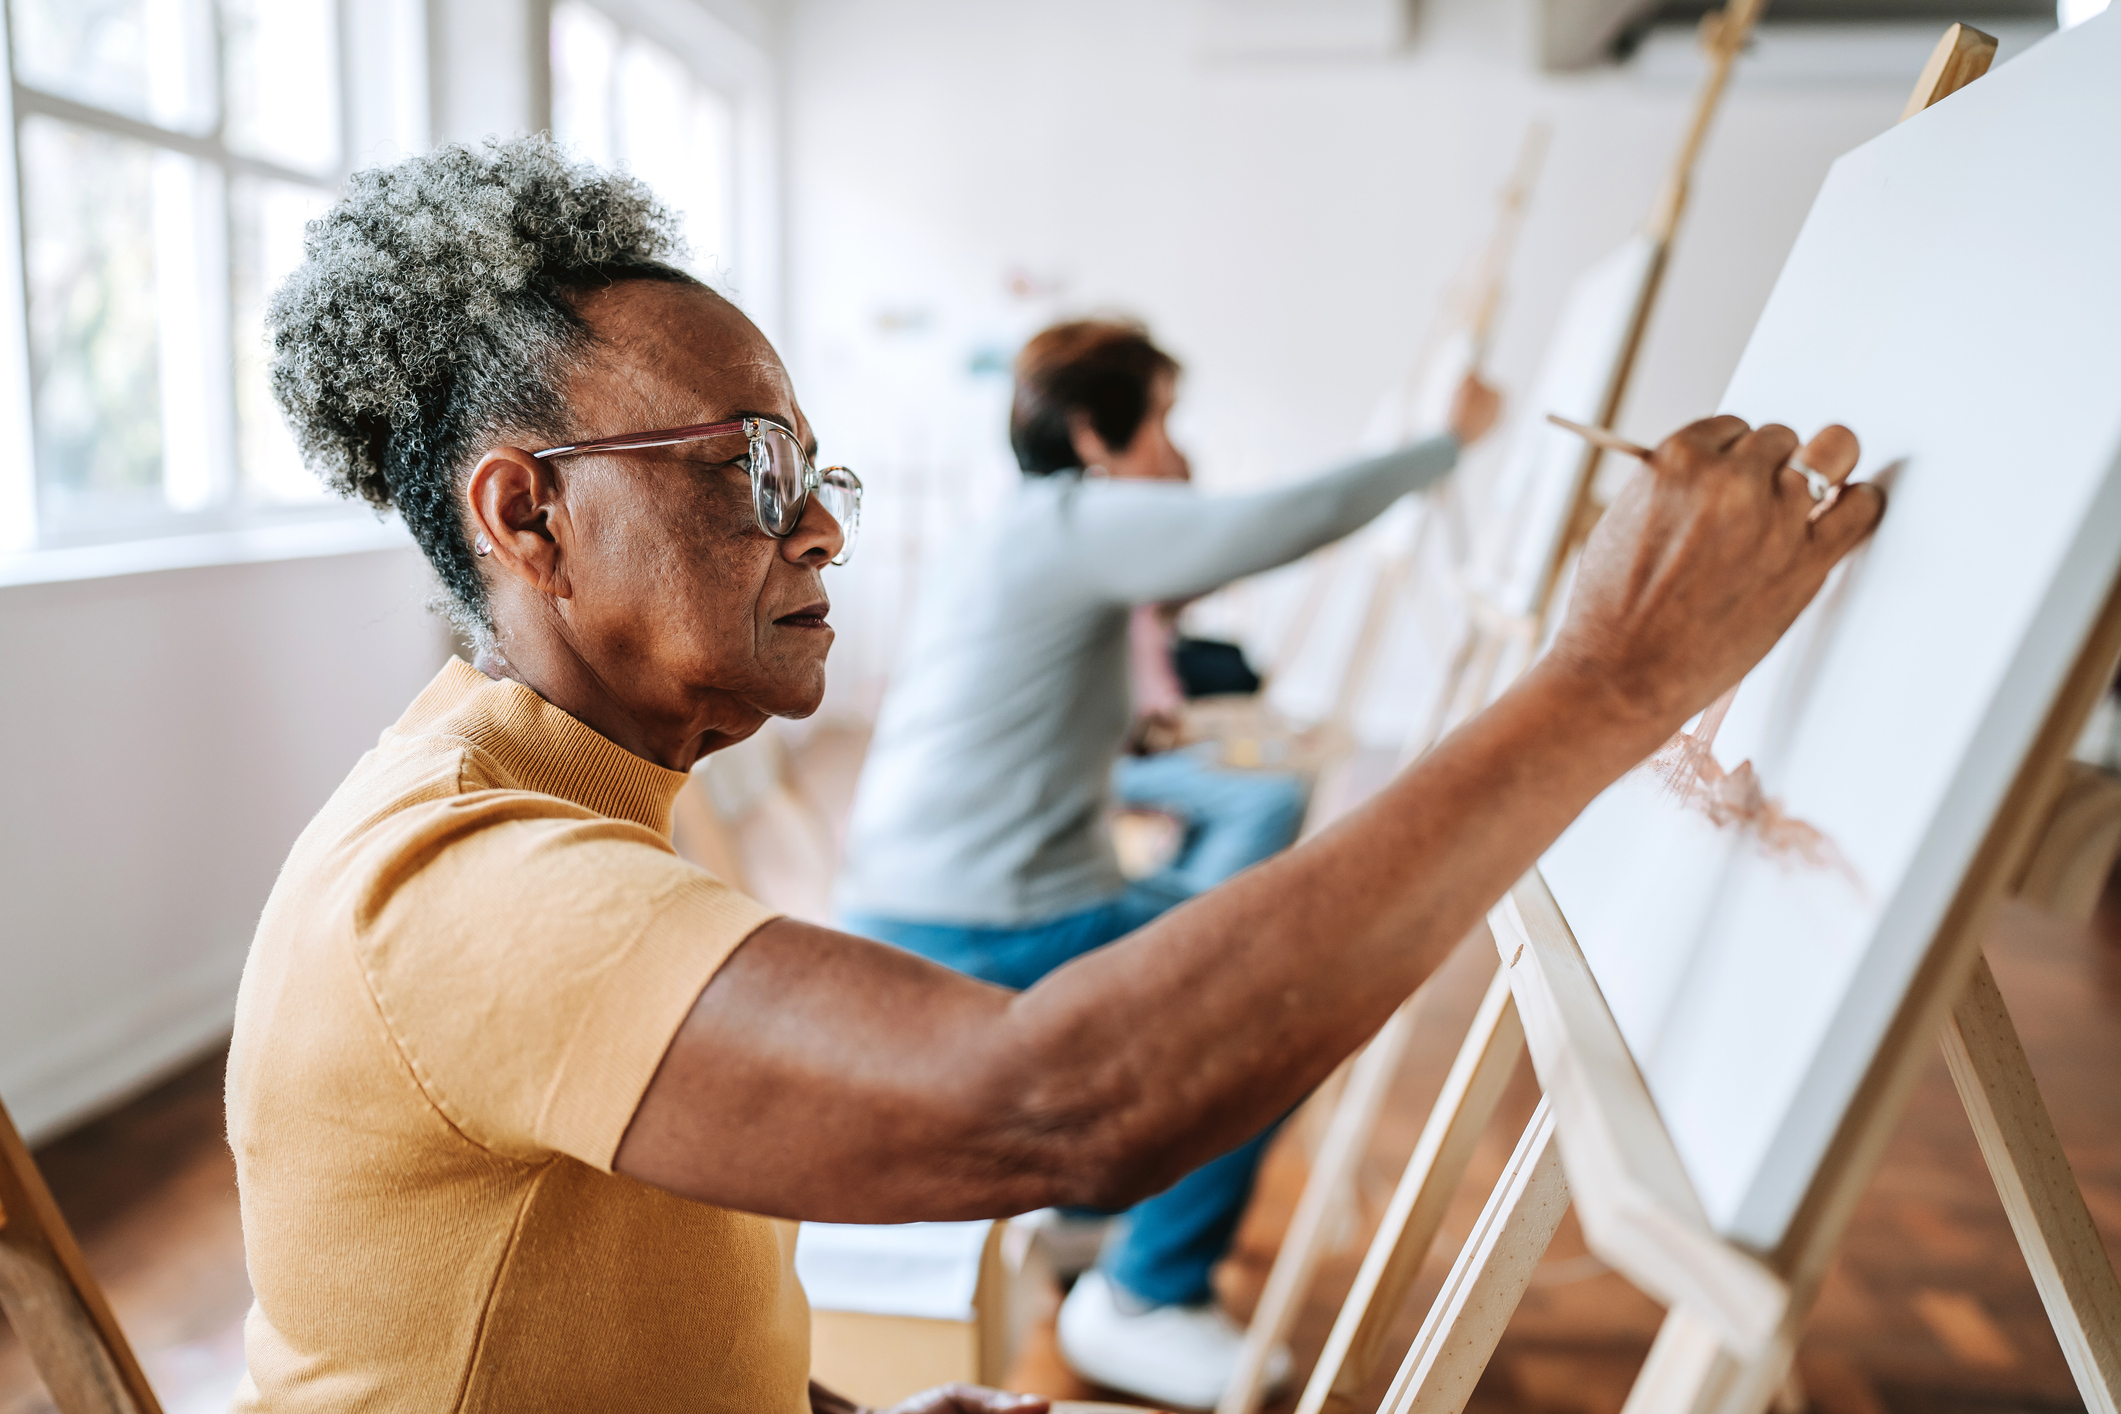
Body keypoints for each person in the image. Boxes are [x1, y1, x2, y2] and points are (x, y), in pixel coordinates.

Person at [227, 135, 1880, 1414]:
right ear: (522, 518)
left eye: (820, 469)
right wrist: (1612, 679)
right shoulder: (462, 885)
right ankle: (1149, 1292)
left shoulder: (584, 793)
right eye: (751, 466)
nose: (819, 523)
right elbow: (1056, 1096)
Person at [835, 319, 1500, 1401]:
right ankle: (1147, 1287)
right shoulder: (1082, 520)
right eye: (1167, 425)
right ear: (1098, 433)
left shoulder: (1021, 528)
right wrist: (1447, 442)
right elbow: (1279, 522)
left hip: (944, 896)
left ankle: (1108, 1210)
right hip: (978, 920)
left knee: (1226, 918)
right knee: (1288, 990)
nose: (1183, 461)